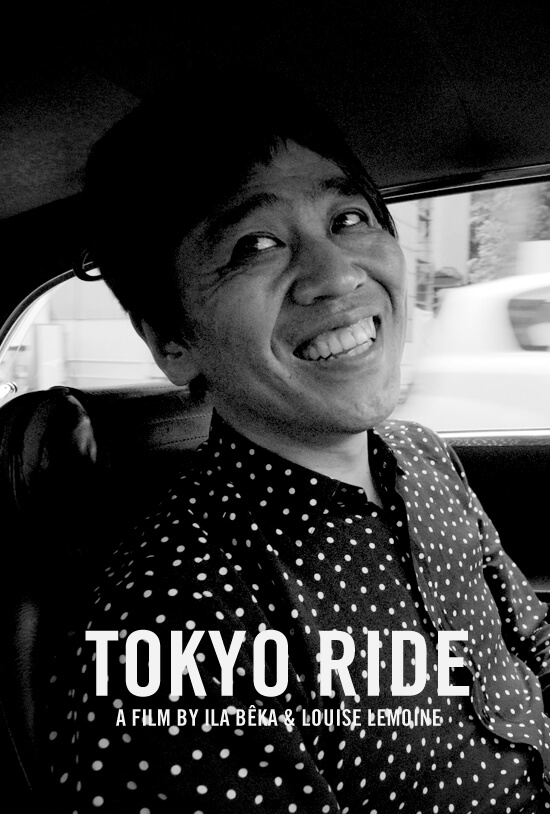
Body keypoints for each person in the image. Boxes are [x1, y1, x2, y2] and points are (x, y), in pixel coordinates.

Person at [46, 74, 550, 813]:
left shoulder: (423, 457)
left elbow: (531, 642)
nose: (337, 275)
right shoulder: (177, 613)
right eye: (256, 245)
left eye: (348, 218)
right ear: (171, 342)